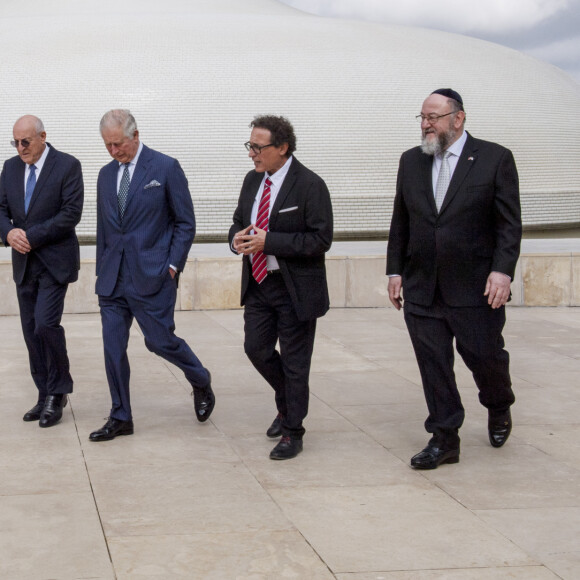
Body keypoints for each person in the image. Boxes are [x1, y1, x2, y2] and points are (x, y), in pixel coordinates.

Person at [387, 89, 522, 469]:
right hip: (422, 285)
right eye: (422, 117)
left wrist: (502, 271)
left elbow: (509, 224)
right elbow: (402, 220)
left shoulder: (495, 159)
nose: (426, 124)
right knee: (433, 364)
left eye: (434, 117)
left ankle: (498, 403)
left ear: (458, 118)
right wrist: (395, 270)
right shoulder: (411, 161)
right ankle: (444, 437)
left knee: (484, 356)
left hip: (476, 286)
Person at [89, 109, 214, 442]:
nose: (114, 152)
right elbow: (105, 228)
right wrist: (101, 269)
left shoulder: (165, 167)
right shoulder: (104, 175)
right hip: (112, 280)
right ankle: (120, 416)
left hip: (152, 275)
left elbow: (185, 222)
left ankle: (200, 378)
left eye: (118, 144)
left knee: (159, 342)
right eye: (107, 146)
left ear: (135, 135)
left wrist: (172, 266)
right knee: (113, 348)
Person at [229, 115, 333, 460]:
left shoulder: (310, 185)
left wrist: (269, 242)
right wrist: (237, 240)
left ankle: (293, 431)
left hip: (295, 290)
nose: (251, 154)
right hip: (259, 285)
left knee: (294, 363)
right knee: (256, 349)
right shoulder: (251, 180)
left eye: (258, 148)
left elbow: (320, 239)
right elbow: (238, 222)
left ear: (283, 148)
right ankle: (287, 403)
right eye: (250, 146)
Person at [0, 115, 84, 428]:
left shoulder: (67, 165)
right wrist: (8, 233)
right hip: (24, 265)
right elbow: (0, 209)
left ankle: (58, 392)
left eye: (26, 141)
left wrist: (29, 236)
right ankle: (44, 392)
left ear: (42, 136)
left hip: (54, 261)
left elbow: (70, 214)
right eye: (15, 142)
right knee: (29, 331)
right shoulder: (10, 168)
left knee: (45, 325)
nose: (20, 148)